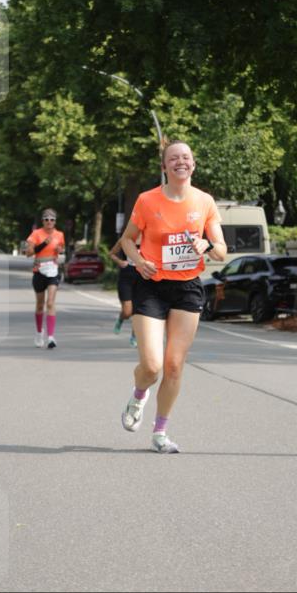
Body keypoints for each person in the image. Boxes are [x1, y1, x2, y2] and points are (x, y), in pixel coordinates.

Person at [119, 139, 227, 453]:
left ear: (193, 164)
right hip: (151, 286)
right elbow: (127, 240)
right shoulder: (147, 200)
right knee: (152, 366)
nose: (181, 161)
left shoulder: (205, 201)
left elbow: (221, 250)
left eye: (186, 157)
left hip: (188, 288)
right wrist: (139, 261)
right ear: (165, 166)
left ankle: (160, 433)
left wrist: (207, 245)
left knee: (175, 365)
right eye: (174, 158)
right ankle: (138, 396)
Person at [26, 208, 65, 349]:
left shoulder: (60, 234)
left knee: (50, 303)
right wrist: (43, 244)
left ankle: (51, 337)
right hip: (39, 271)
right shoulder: (36, 234)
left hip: (53, 271)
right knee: (40, 305)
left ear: (55, 221)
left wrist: (60, 250)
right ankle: (38, 333)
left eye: (52, 219)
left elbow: (61, 248)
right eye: (47, 219)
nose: (49, 222)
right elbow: (28, 253)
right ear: (43, 221)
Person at [107, 236, 139, 347]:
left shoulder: (150, 236)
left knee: (139, 310)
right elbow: (111, 254)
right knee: (127, 311)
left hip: (143, 276)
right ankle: (121, 318)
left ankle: (134, 336)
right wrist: (120, 262)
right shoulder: (126, 238)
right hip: (127, 276)